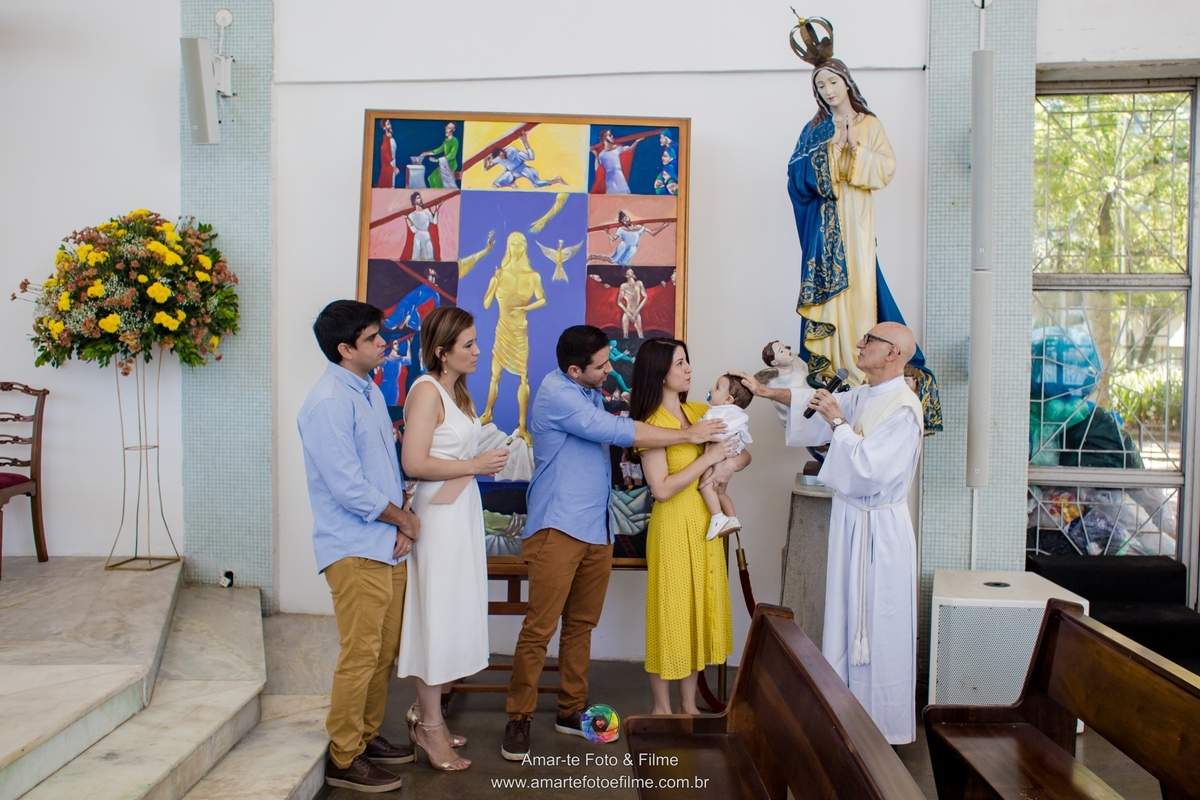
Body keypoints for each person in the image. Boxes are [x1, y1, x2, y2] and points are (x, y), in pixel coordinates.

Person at [501, 325, 730, 760]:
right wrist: (689, 437)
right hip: (557, 527)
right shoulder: (557, 395)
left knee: (581, 625)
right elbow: (621, 433)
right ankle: (519, 718)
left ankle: (569, 709)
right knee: (539, 629)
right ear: (574, 369)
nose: (611, 370)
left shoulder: (588, 391)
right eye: (602, 366)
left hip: (595, 529)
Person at [732, 321, 923, 745]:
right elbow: (818, 405)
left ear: (893, 352)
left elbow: (872, 469)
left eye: (870, 339)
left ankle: (881, 729)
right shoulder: (868, 393)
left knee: (878, 621)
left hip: (880, 532)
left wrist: (838, 423)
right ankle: (846, 717)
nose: (859, 343)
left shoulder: (903, 408)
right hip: (852, 522)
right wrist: (767, 393)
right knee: (845, 613)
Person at [297, 300, 422, 793]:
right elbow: (348, 487)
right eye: (373, 339)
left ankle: (366, 736)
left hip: (384, 542)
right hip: (352, 547)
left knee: (383, 651)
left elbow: (380, 470)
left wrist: (399, 519)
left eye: (382, 335)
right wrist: (405, 519)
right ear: (345, 349)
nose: (383, 343)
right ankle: (343, 757)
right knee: (361, 652)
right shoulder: (329, 401)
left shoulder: (366, 390)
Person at [398, 306, 507, 772]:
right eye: (469, 345)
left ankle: (427, 716)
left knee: (453, 611)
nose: (479, 351)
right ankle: (430, 727)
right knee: (435, 616)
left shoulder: (454, 391)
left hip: (459, 510)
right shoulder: (426, 391)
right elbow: (414, 463)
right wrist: (476, 465)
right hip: (438, 517)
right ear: (442, 353)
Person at [630, 339, 747, 715]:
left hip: (706, 526)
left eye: (687, 361)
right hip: (673, 527)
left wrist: (730, 463)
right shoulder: (650, 425)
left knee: (696, 611)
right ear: (658, 373)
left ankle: (689, 706)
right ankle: (662, 709)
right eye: (680, 363)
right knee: (671, 612)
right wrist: (708, 458)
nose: (689, 369)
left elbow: (744, 450)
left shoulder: (700, 411)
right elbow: (661, 489)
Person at [788, 57, 895, 386]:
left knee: (860, 288)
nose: (828, 90)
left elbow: (886, 169)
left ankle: (859, 370)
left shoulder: (870, 124)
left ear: (846, 82)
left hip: (857, 221)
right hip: (825, 224)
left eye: (833, 82)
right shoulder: (813, 130)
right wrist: (830, 148)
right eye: (820, 85)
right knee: (831, 297)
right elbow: (795, 175)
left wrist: (854, 147)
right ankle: (830, 366)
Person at [480, 232, 546, 445]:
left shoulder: (532, 275)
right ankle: (488, 413)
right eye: (512, 244)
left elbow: (542, 299)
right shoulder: (500, 274)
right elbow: (487, 304)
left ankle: (522, 426)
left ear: (524, 247)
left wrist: (526, 307)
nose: (515, 248)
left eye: (519, 244)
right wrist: (494, 282)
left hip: (520, 332)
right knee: (494, 376)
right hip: (503, 330)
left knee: (523, 378)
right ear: (508, 247)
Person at [698, 373, 753, 540]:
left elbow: (706, 431)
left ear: (728, 399)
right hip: (728, 457)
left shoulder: (716, 413)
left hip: (718, 459)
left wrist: (698, 425)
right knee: (720, 493)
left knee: (705, 486)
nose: (711, 389)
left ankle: (718, 517)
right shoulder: (733, 414)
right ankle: (732, 518)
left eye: (716, 387)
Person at [485, 131, 567, 189]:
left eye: (503, 154)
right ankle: (511, 183)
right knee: (495, 185)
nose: (503, 156)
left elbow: (531, 157)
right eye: (501, 156)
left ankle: (556, 180)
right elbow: (486, 168)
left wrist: (525, 141)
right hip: (513, 173)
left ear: (503, 151)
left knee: (537, 184)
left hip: (524, 168)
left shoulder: (511, 150)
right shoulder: (498, 159)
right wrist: (486, 159)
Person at [592, 211, 669, 268]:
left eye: (625, 218)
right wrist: (607, 232)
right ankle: (594, 256)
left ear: (628, 217)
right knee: (612, 260)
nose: (625, 220)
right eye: (623, 220)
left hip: (633, 248)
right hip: (624, 245)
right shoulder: (621, 229)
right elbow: (612, 240)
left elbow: (653, 233)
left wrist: (664, 226)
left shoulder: (639, 227)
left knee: (623, 263)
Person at [593, 128, 646, 194]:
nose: (612, 137)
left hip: (619, 176)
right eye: (609, 135)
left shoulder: (617, 148)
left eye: (611, 135)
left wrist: (637, 141)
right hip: (609, 179)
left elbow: (629, 149)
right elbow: (596, 168)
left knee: (624, 195)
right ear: (604, 138)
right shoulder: (602, 154)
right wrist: (596, 155)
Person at [418, 121, 459, 189]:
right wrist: (426, 153)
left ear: (453, 130)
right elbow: (438, 150)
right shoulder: (446, 141)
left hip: (450, 164)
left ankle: (441, 196)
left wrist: (437, 160)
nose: (446, 129)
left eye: (449, 128)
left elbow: (452, 155)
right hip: (443, 163)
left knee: (436, 180)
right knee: (430, 178)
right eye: (447, 127)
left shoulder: (455, 141)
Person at [406, 193, 438, 261]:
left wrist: (437, 209)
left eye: (420, 197)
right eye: (418, 198)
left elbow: (434, 222)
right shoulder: (411, 215)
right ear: (414, 201)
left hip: (427, 236)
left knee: (429, 257)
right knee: (416, 258)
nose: (420, 199)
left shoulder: (426, 211)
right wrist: (406, 218)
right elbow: (414, 230)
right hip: (418, 237)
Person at [617, 268, 647, 339]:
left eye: (632, 271)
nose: (632, 272)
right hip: (627, 313)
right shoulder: (623, 286)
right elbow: (618, 301)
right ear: (626, 275)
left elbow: (645, 297)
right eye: (630, 272)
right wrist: (628, 313)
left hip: (636, 313)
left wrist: (636, 312)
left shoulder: (639, 283)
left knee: (641, 335)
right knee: (625, 336)